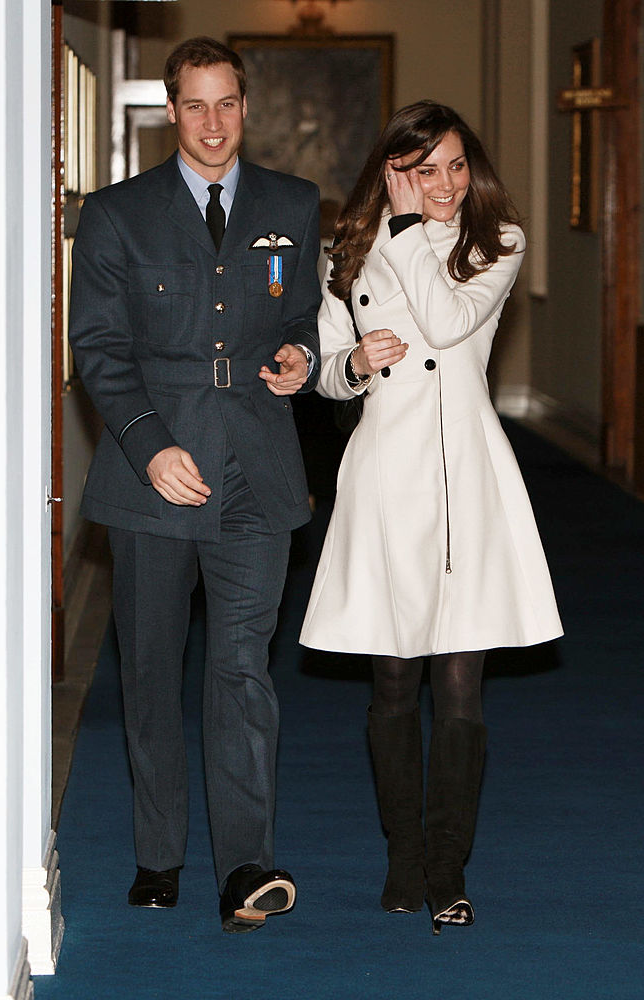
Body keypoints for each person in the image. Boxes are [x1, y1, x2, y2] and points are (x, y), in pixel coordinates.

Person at [69, 37, 321, 934]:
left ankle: (247, 863)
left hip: (258, 464)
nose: (213, 124)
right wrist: (146, 445)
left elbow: (299, 317)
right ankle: (158, 853)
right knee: (149, 667)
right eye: (196, 106)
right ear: (171, 112)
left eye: (228, 104)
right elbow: (97, 350)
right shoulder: (116, 214)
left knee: (242, 668)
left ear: (244, 107)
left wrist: (301, 356)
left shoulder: (293, 204)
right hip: (155, 475)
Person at [299, 101, 563, 934]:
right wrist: (349, 360)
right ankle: (402, 858)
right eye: (423, 169)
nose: (444, 183)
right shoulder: (345, 251)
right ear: (391, 170)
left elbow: (447, 326)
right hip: (384, 474)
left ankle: (448, 867)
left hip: (465, 482)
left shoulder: (498, 244)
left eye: (454, 165)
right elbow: (329, 376)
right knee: (389, 680)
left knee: (458, 685)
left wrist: (408, 226)